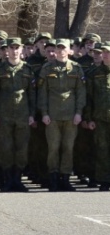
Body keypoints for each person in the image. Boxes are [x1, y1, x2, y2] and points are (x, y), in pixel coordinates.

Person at [37, 38, 86, 191]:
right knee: (53, 147)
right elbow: (42, 93)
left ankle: (65, 178)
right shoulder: (47, 68)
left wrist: (79, 113)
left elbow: (81, 93)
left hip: (71, 116)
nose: (60, 51)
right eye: (58, 48)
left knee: (68, 147)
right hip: (52, 116)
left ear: (69, 50)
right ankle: (53, 178)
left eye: (63, 48)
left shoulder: (76, 68)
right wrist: (44, 113)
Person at [0, 37, 35, 192]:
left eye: (17, 48)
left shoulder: (27, 70)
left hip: (23, 114)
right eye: (11, 48)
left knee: (22, 148)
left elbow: (32, 94)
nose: (14, 51)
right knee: (5, 148)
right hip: (4, 114)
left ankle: (18, 179)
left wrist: (32, 114)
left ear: (21, 49)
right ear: (6, 50)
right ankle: (8, 180)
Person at [86, 44, 110, 191]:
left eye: (108, 53)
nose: (106, 55)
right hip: (100, 118)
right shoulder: (94, 73)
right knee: (102, 150)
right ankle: (104, 180)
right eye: (104, 53)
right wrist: (89, 118)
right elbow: (89, 98)